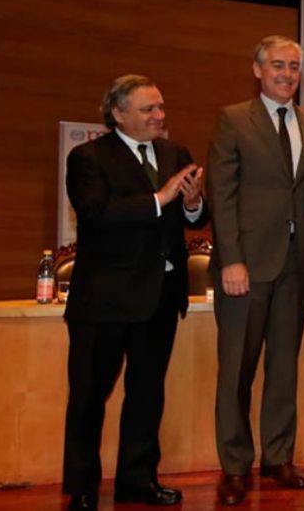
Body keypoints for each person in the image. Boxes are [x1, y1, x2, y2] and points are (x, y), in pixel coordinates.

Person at [62, 74, 207, 511]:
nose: (159, 116)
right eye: (148, 109)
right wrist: (161, 198)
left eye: (161, 107)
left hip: (160, 296)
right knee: (89, 396)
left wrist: (194, 202)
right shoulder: (87, 157)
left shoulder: (174, 153)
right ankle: (83, 488)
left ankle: (138, 480)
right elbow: (96, 214)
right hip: (104, 300)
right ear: (117, 113)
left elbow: (195, 221)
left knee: (147, 393)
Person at [205, 35, 304, 504]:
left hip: (297, 265)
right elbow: (222, 194)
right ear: (258, 69)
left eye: (295, 67)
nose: (287, 73)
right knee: (236, 369)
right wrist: (232, 258)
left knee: (284, 366)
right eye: (278, 65)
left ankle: (278, 457)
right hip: (247, 265)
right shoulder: (233, 119)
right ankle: (235, 465)